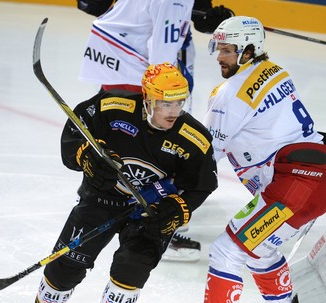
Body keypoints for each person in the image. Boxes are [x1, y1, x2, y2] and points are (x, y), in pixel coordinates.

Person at [2, 63, 218, 303]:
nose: (173, 111)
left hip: (148, 216)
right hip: (100, 201)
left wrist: (177, 209)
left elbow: (202, 185)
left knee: (129, 273)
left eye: (179, 102)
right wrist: (87, 157)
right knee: (65, 265)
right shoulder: (111, 108)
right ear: (147, 99)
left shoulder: (192, 137)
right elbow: (74, 135)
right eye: (165, 103)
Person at [170, 16, 326, 303]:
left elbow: (206, 155)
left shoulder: (228, 95)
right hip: (322, 180)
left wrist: (166, 185)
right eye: (218, 47)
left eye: (227, 49)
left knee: (227, 249)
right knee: (261, 248)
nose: (219, 55)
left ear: (248, 50)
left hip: (294, 187)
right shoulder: (274, 70)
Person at [77, 0, 234, 262]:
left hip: (119, 56)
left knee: (120, 142)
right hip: (131, 63)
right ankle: (148, 226)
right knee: (151, 143)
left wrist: (206, 14)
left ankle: (98, 208)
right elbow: (161, 54)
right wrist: (165, 93)